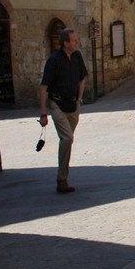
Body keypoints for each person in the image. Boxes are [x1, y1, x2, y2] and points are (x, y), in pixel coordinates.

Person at [38, 27, 88, 193]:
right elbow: (43, 87)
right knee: (67, 138)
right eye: (74, 40)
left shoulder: (77, 56)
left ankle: (62, 177)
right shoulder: (54, 60)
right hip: (57, 104)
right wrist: (43, 113)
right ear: (65, 43)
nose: (77, 42)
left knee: (67, 140)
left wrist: (79, 99)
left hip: (73, 105)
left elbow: (82, 77)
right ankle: (62, 179)